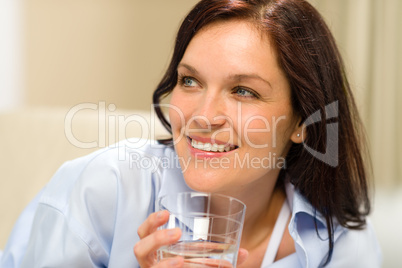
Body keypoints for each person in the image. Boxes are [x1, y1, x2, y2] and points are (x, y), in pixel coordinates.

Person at [1, 0, 381, 267]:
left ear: (304, 122)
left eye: (243, 91)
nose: (202, 116)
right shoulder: (107, 188)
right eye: (190, 81)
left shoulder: (341, 247)